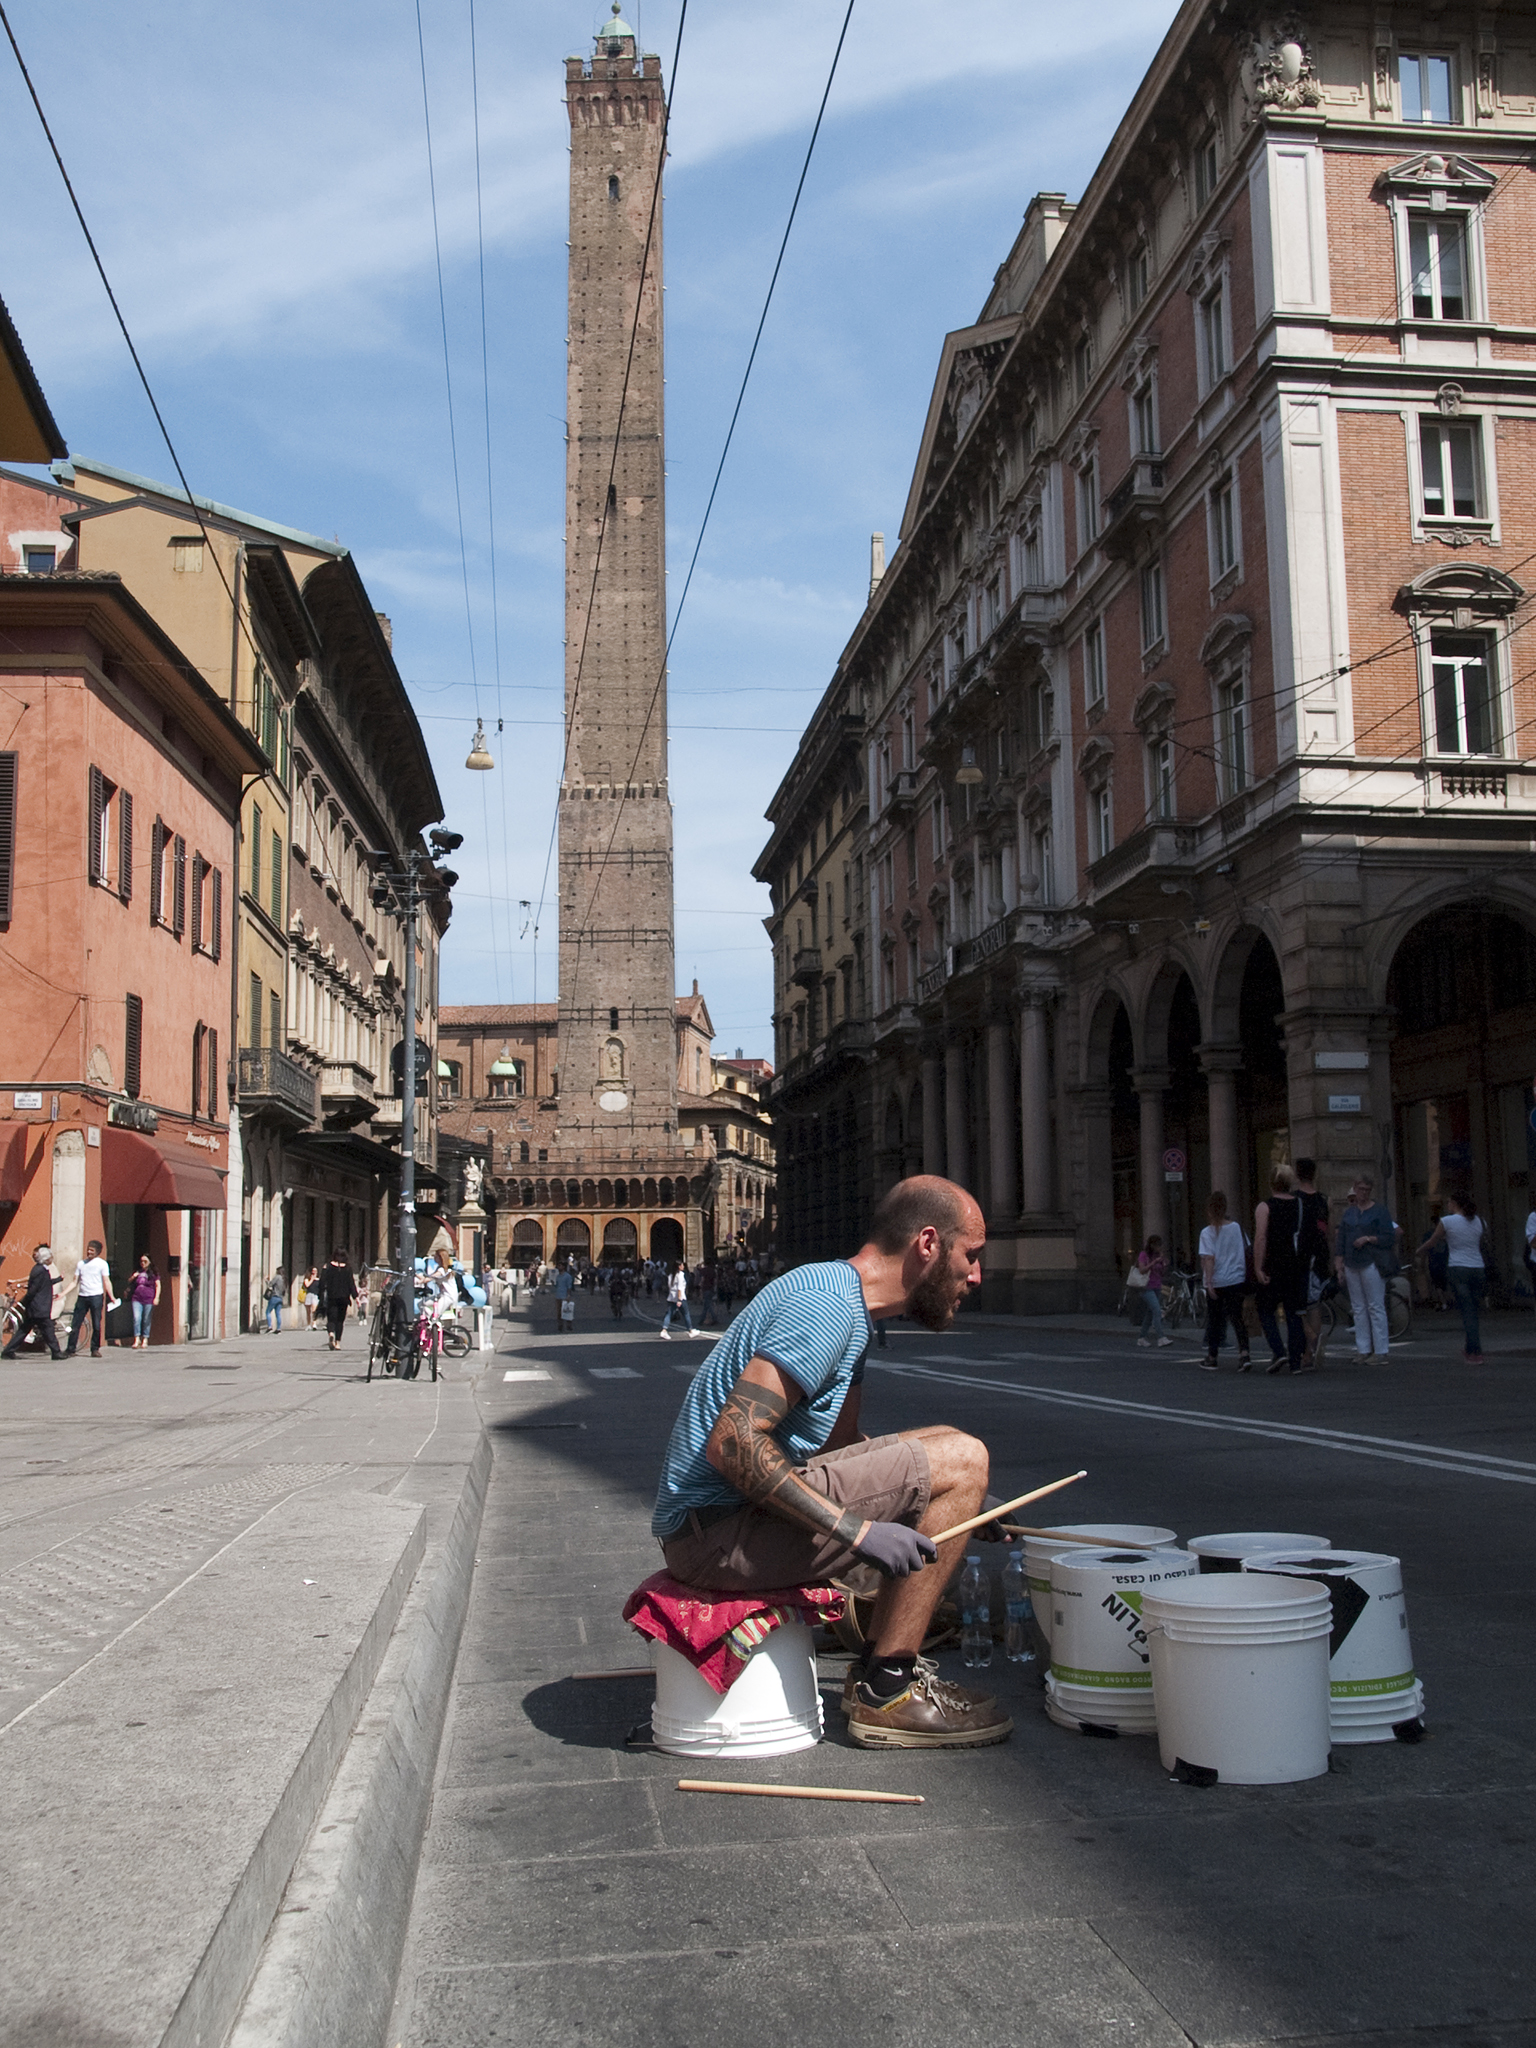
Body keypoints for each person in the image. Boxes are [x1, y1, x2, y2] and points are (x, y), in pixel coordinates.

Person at [653, 1174, 1011, 1750]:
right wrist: (859, 1530)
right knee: (963, 1455)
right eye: (970, 1256)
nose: (975, 1276)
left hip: (722, 1526)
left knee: (951, 1450)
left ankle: (882, 1669)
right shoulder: (826, 1308)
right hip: (714, 1535)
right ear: (928, 1244)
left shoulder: (848, 1307)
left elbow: (840, 1451)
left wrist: (962, 1498)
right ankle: (887, 1690)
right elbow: (733, 1442)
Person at [1335, 1176, 1398, 1365]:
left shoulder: (1379, 1211)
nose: (1364, 1193)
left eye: (1367, 1190)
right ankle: (1363, 1349)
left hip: (1371, 1261)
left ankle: (1380, 1350)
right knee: (1359, 1307)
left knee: (1375, 1305)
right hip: (1352, 1262)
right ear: (1355, 1189)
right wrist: (1339, 1263)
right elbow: (1341, 1240)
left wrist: (1369, 1239)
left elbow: (1389, 1237)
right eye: (1361, 1189)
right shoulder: (1350, 1213)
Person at [1253, 1164, 1309, 1374]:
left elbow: (1260, 1238)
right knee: (1294, 1313)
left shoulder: (1264, 1207)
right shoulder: (1300, 1205)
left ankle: (1278, 1350)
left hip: (1273, 1264)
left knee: (1265, 1310)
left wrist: (1258, 1267)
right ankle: (1296, 1362)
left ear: (1271, 1182)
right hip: (1295, 1265)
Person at [1425, 1190, 1488, 1364]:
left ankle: (1476, 1352)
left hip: (1458, 1268)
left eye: (1448, 1203)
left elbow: (1433, 1241)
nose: (1447, 1206)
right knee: (1473, 1310)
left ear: (1454, 1203)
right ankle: (1470, 1349)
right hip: (1478, 1267)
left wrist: (1418, 1251)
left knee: (1467, 1311)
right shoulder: (1480, 1221)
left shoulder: (1447, 1221)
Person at [1198, 1191, 1252, 1372]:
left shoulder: (1207, 1232)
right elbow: (1245, 1250)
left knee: (1214, 1320)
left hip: (1218, 1281)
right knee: (1237, 1318)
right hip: (1236, 1278)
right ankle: (1244, 1354)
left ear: (1209, 1210)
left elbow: (1209, 1259)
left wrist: (1210, 1282)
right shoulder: (1236, 1227)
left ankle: (1212, 1357)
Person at [1293, 1158, 1332, 1369]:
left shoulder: (1294, 1199)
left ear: (1298, 1174)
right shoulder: (1324, 1200)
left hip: (1300, 1257)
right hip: (1319, 1257)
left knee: (1296, 1303)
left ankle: (1307, 1350)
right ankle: (1311, 1349)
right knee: (1314, 1305)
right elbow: (1327, 1231)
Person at [2, 1244, 64, 1360]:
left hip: (37, 1307)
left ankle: (8, 1351)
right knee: (48, 1330)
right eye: (50, 1256)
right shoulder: (39, 1270)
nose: (52, 1259)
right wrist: (24, 1303)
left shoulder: (41, 1270)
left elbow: (44, 1283)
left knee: (24, 1330)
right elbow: (33, 1289)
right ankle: (56, 1352)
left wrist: (58, 1279)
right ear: (46, 1258)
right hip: (39, 1307)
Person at [64, 1240, 118, 1359]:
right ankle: (70, 1348)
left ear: (98, 1252)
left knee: (96, 1324)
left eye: (92, 1250)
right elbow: (74, 1282)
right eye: (88, 1249)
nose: (89, 1252)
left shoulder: (102, 1264)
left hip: (96, 1297)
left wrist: (112, 1296)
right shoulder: (81, 1264)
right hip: (82, 1297)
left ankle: (95, 1349)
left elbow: (106, 1281)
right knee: (75, 1323)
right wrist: (63, 1293)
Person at [1132, 1234, 1171, 1349]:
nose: (1159, 1248)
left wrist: (1164, 1265)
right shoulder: (1144, 1255)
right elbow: (1142, 1270)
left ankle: (1142, 1338)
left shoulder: (1158, 1255)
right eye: (1158, 1246)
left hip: (1157, 1285)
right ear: (1152, 1245)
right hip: (1145, 1287)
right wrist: (1154, 1262)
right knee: (1157, 1310)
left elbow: (1161, 1273)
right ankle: (1161, 1337)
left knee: (1150, 1314)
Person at [315, 1251, 358, 1351]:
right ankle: (338, 1342)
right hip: (344, 1298)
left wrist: (320, 1294)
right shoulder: (348, 1268)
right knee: (340, 1320)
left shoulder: (328, 1267)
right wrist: (355, 1296)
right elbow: (351, 1283)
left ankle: (331, 1333)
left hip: (331, 1297)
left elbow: (322, 1282)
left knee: (331, 1319)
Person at [1419, 1204, 1451, 1312]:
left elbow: (1425, 1249)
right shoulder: (1446, 1234)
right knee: (1443, 1283)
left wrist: (1422, 1262)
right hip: (1445, 1260)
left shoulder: (1429, 1235)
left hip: (1434, 1261)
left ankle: (1442, 1302)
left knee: (1436, 1283)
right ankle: (1443, 1301)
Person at [127, 1255, 160, 1349]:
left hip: (148, 1298)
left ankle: (145, 1338)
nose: (143, 1263)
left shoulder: (154, 1273)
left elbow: (158, 1285)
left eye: (145, 1261)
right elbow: (129, 1281)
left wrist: (156, 1297)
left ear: (149, 1262)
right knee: (136, 1318)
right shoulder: (138, 1272)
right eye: (141, 1261)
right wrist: (133, 1276)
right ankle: (136, 1339)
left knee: (146, 1319)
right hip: (137, 1298)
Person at [659, 1261, 696, 1340]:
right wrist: (679, 1299)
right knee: (686, 1314)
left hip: (671, 1297)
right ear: (679, 1266)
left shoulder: (670, 1275)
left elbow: (670, 1287)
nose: (683, 1266)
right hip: (680, 1298)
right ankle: (691, 1330)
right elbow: (680, 1288)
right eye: (682, 1265)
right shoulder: (680, 1275)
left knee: (669, 1314)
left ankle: (664, 1330)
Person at [552, 1261, 575, 1332]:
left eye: (560, 1266)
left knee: (567, 1311)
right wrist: (553, 1283)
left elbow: (569, 1286)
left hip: (565, 1296)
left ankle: (569, 1325)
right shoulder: (558, 1276)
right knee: (559, 1312)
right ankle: (560, 1325)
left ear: (563, 1267)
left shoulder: (567, 1276)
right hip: (558, 1295)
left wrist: (568, 1295)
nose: (558, 1267)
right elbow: (557, 1286)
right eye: (558, 1266)